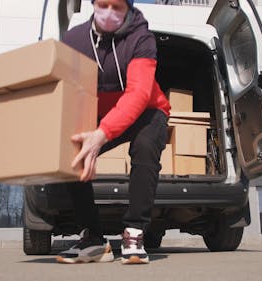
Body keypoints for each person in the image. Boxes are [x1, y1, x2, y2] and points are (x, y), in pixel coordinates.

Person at [55, 0, 171, 265]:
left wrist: (102, 134)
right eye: (103, 4)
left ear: (128, 7)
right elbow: (65, 89)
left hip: (148, 109)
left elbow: (139, 93)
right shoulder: (74, 40)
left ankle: (134, 232)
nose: (109, 12)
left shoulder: (142, 38)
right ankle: (93, 239)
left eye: (117, 6)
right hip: (101, 113)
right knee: (70, 151)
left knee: (145, 146)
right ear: (93, 4)